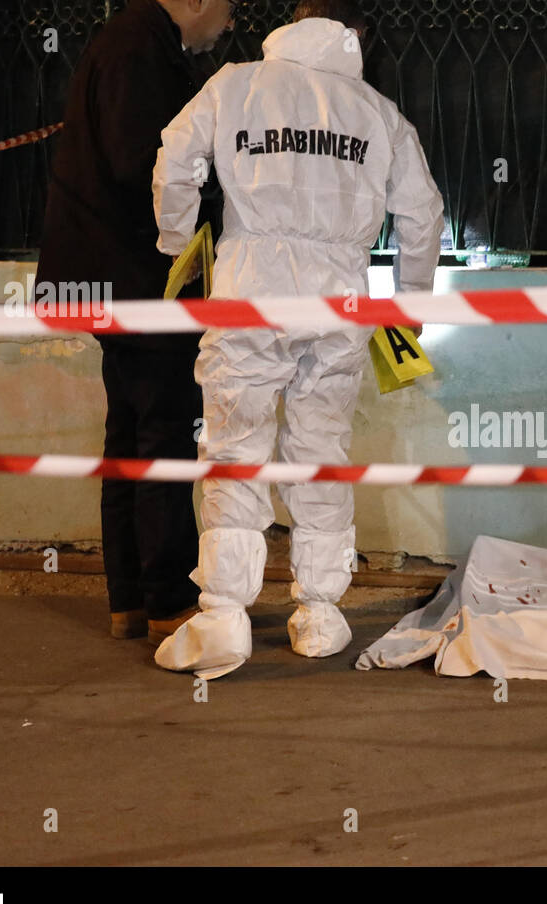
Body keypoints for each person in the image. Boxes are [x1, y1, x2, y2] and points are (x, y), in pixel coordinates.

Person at [150, 0, 444, 679]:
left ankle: (223, 615)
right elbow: (423, 214)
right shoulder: (378, 113)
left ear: (291, 23)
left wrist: (175, 238)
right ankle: (318, 611)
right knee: (319, 448)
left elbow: (175, 159)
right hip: (340, 297)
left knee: (235, 443)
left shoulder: (234, 84)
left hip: (251, 284)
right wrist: (410, 307)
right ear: (354, 34)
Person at [36, 0, 236, 645]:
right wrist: (210, 192)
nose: (230, 24)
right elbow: (141, 163)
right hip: (139, 279)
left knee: (130, 436)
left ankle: (131, 600)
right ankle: (169, 601)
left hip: (114, 278)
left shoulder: (129, 42)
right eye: (230, 8)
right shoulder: (139, 49)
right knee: (164, 437)